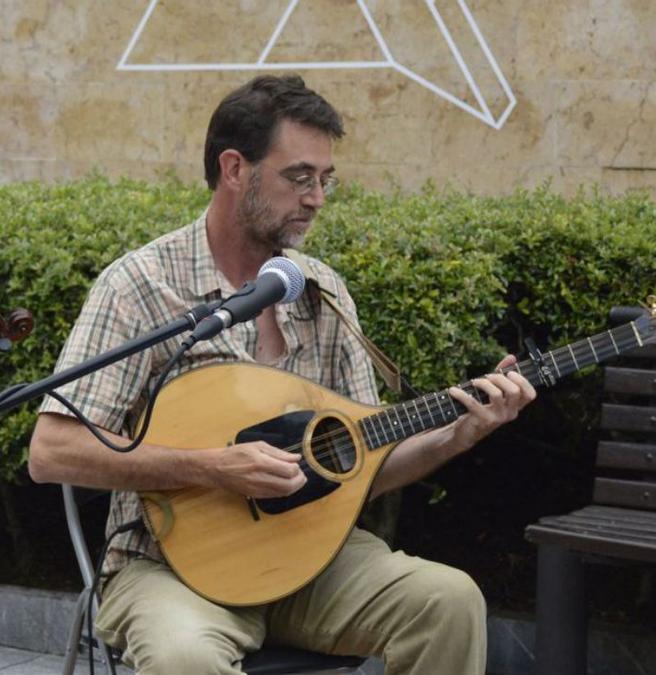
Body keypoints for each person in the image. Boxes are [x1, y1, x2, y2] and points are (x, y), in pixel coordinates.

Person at [27, 75, 537, 675]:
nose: (317, 197)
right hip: (169, 569)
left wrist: (460, 434)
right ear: (234, 168)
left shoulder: (323, 291)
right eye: (299, 177)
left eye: (325, 180)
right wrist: (210, 468)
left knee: (448, 601)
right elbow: (51, 451)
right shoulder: (140, 285)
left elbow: (366, 463)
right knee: (184, 657)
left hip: (313, 561)